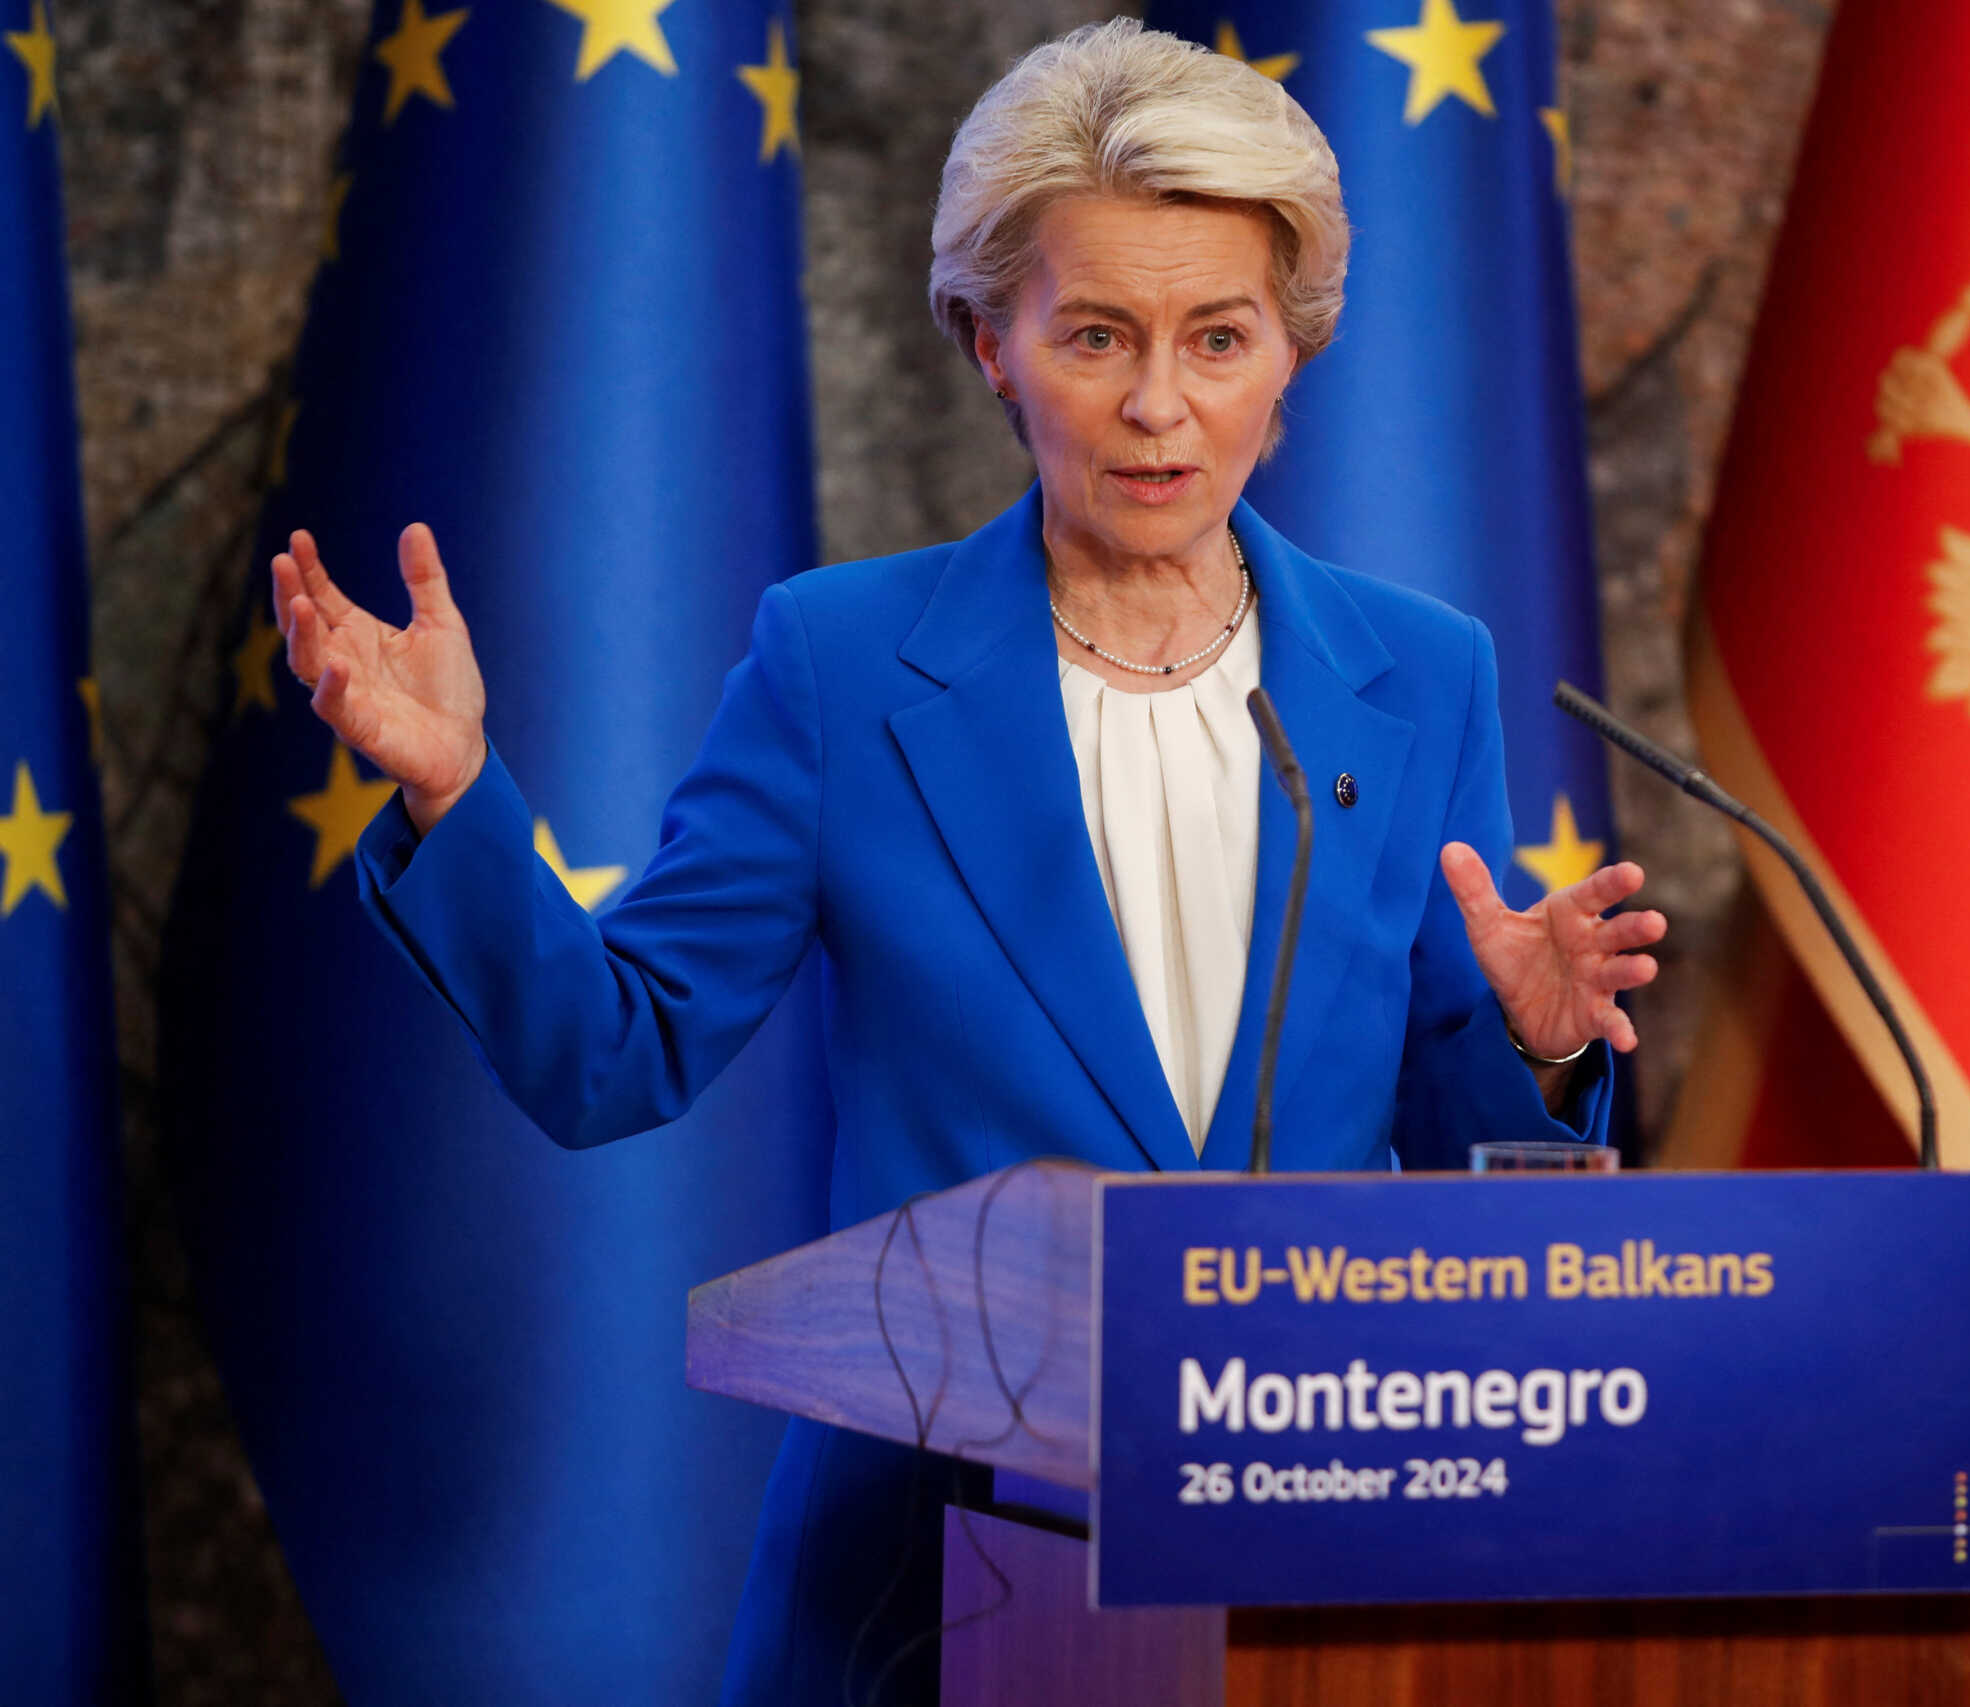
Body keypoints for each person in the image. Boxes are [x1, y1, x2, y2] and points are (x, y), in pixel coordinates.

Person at [269, 18, 1663, 1704]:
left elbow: (1475, 1187)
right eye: (1097, 335)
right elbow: (607, 1050)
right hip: (931, 1591)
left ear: (1289, 358)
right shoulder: (842, 665)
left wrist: (1535, 1040)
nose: (1161, 405)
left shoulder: (1414, 672)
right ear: (989, 344)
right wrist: (455, 795)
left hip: (1312, 1584)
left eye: (1218, 338)